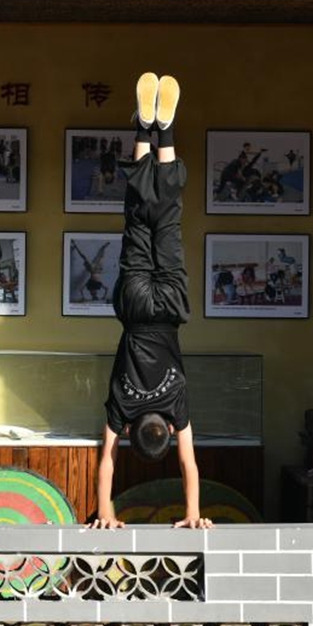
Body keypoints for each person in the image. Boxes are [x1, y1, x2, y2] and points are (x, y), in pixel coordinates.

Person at [91, 72, 211, 531]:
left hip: (170, 310)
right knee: (138, 216)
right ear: (130, 432)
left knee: (168, 217)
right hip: (136, 308)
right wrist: (105, 512)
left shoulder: (176, 407)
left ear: (167, 430)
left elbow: (188, 465)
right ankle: (144, 126)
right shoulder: (122, 406)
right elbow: (106, 460)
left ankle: (168, 130)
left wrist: (193, 514)